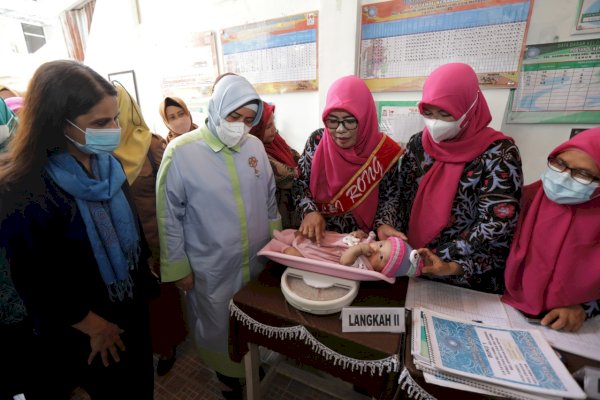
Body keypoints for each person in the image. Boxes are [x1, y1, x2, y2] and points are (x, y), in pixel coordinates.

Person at [0, 60, 154, 399]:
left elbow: (135, 239)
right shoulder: (23, 188)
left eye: (114, 118)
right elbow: (33, 281)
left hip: (128, 312)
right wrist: (96, 327)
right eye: (100, 122)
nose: (114, 129)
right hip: (82, 333)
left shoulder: (108, 165)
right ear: (58, 123)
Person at [156, 74, 280, 399]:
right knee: (218, 323)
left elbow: (268, 199)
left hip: (255, 258)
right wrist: (177, 267)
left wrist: (277, 244)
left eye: (249, 120)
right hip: (210, 264)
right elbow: (169, 215)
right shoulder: (181, 152)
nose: (240, 126)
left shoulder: (254, 146)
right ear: (216, 108)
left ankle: (252, 364)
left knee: (253, 318)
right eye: (234, 116)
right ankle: (227, 377)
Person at [397, 63, 523, 294]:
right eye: (428, 113)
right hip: (412, 261)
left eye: (446, 114)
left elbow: (497, 222)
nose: (435, 123)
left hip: (465, 269)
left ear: (470, 108)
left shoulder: (499, 152)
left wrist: (445, 257)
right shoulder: (418, 144)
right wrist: (396, 240)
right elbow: (401, 195)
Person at [113, 83, 187, 376]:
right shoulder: (101, 151)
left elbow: (174, 192)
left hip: (158, 236)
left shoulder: (153, 145)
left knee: (163, 297)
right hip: (125, 242)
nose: (111, 124)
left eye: (114, 114)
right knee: (143, 301)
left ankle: (169, 344)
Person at [502, 128, 600, 332]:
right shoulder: (524, 199)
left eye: (583, 173)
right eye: (560, 163)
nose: (564, 177)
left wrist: (585, 308)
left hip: (574, 331)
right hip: (503, 312)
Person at [292, 75, 403, 243]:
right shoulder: (316, 140)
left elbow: (390, 198)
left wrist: (383, 225)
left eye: (350, 121)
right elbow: (299, 184)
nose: (340, 129)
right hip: (322, 237)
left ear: (365, 118)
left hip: (365, 241)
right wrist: (309, 211)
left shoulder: (384, 150)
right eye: (332, 121)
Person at [271, 229, 423, 278]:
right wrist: (359, 234)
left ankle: (280, 247)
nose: (376, 249)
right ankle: (288, 237)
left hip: (325, 254)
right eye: (381, 245)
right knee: (311, 236)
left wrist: (358, 250)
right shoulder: (371, 243)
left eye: (381, 257)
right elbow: (359, 237)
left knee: (297, 254)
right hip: (332, 241)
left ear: (380, 270)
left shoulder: (364, 266)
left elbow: (345, 261)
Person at [250, 101, 302, 229]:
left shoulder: (276, 141)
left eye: (273, 123)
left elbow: (299, 158)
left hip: (296, 210)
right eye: (268, 127)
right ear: (256, 130)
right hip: (281, 217)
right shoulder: (256, 152)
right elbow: (288, 176)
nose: (274, 129)